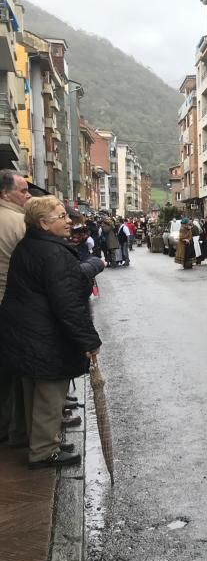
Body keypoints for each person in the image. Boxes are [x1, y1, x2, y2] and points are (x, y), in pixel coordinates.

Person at [0, 197, 102, 469]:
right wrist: (89, 341)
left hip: (23, 331)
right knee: (48, 394)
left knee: (30, 391)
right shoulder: (54, 253)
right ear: (44, 223)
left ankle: (31, 440)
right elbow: (68, 304)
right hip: (44, 336)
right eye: (61, 216)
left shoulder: (30, 245)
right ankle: (44, 451)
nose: (69, 220)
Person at [0, 170, 30, 444]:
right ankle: (20, 432)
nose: (28, 194)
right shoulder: (19, 223)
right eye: (22, 190)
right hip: (13, 307)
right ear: (5, 193)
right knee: (19, 373)